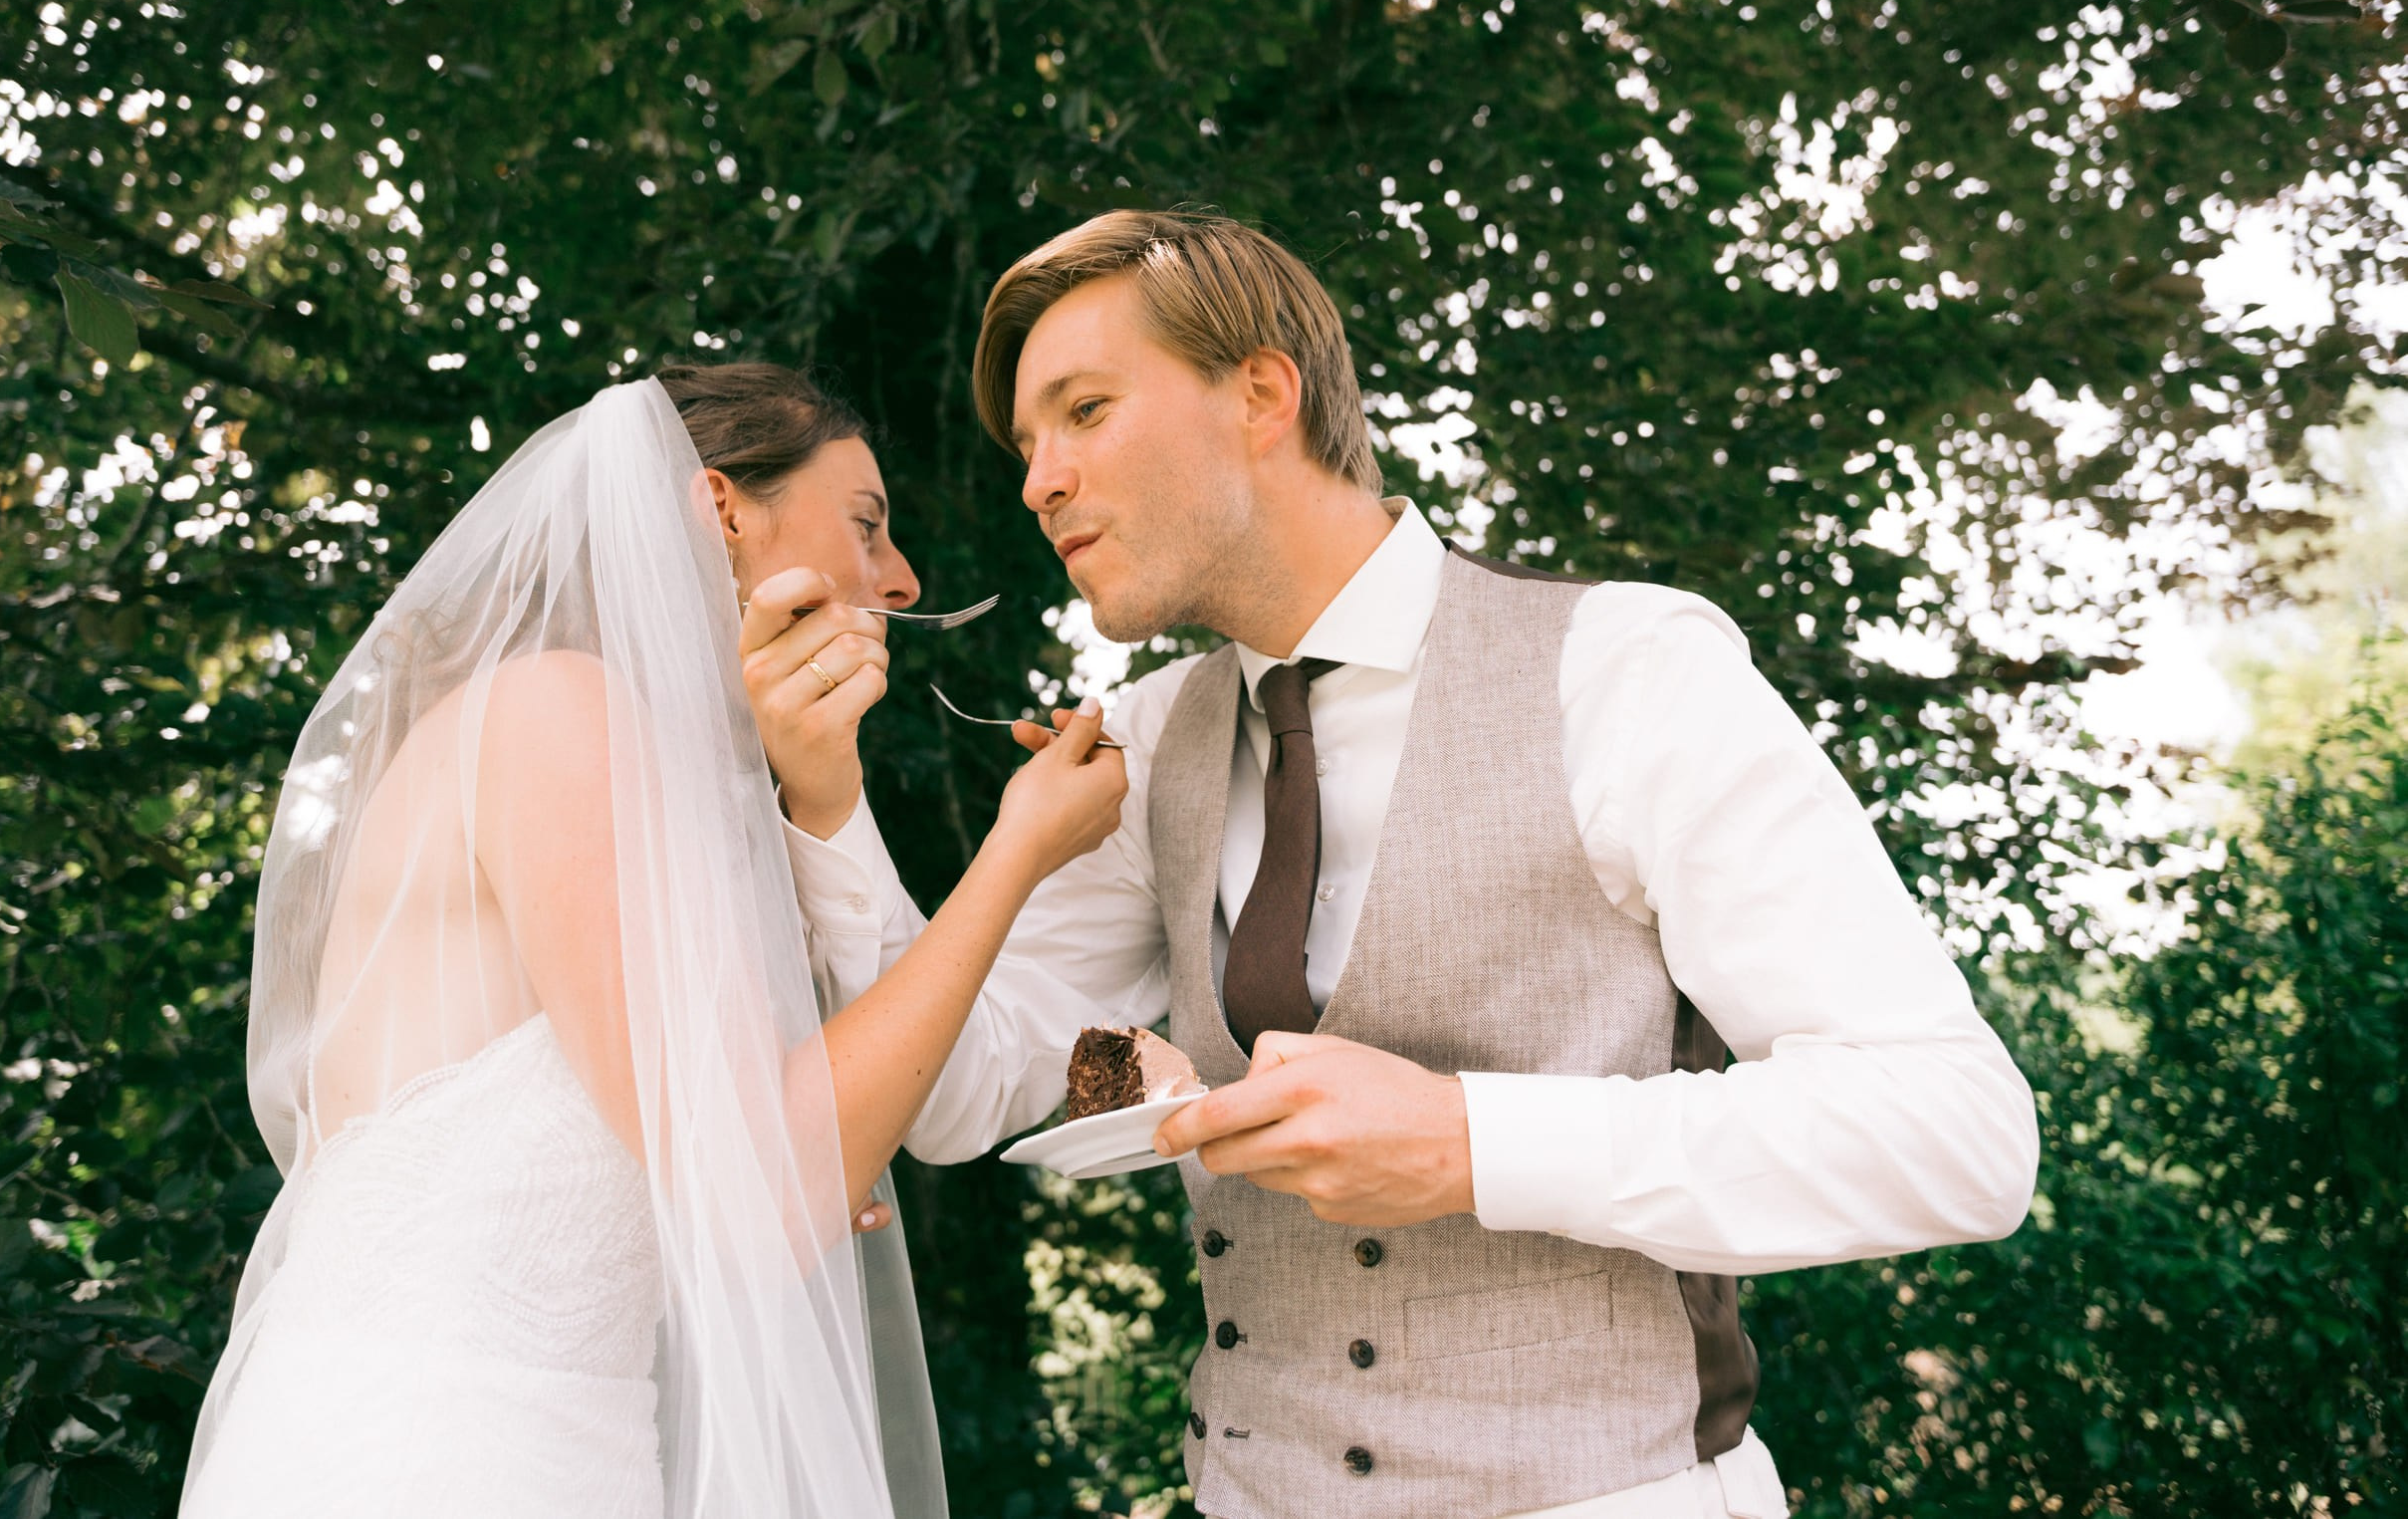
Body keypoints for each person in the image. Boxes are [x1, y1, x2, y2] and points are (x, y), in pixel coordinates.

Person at [782, 211, 2043, 1519]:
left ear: (1263, 393)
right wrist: (826, 804)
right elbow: (949, 1090)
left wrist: (1473, 1140)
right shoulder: (1151, 744)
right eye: (1027, 446)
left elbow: (1955, 1132)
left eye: (1084, 411)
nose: (1037, 479)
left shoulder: (1624, 671)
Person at [178, 364, 1126, 1519]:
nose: (902, 577)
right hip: (436, 1451)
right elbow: (760, 1204)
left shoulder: (653, 775)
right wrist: (1016, 849)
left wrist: (809, 1142)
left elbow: (749, 1166)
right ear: (724, 509)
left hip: (571, 1448)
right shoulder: (556, 712)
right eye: (867, 524)